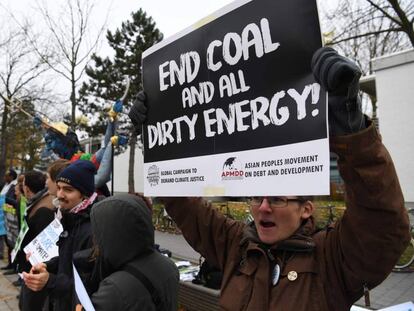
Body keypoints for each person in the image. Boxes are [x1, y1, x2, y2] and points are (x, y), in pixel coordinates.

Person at [128, 47, 411, 310]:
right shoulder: (236, 244)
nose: (262, 207)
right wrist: (158, 145)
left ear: (306, 208)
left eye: (276, 198)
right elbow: (184, 207)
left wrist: (352, 133)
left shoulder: (332, 258)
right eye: (257, 197)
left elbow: (382, 225)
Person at [23, 160, 99, 311]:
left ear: (84, 195)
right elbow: (69, 258)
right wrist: (48, 264)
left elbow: (88, 286)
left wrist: (50, 281)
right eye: (58, 188)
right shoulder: (70, 217)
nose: (60, 194)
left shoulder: (93, 229)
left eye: (68, 190)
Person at [82, 194, 179, 310]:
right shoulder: (168, 265)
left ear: (112, 232)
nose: (95, 238)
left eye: (98, 231)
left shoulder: (115, 289)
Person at [16, 170, 55, 310]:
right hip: (31, 267)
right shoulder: (38, 202)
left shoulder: (44, 208)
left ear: (27, 188)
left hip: (35, 270)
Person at [0, 169, 18, 266]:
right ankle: (10, 263)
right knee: (7, 240)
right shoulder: (6, 185)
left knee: (10, 240)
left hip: (11, 217)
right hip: (5, 216)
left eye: (7, 175)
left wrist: (5, 200)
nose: (5, 177)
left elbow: (12, 199)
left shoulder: (13, 186)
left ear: (11, 176)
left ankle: (13, 264)